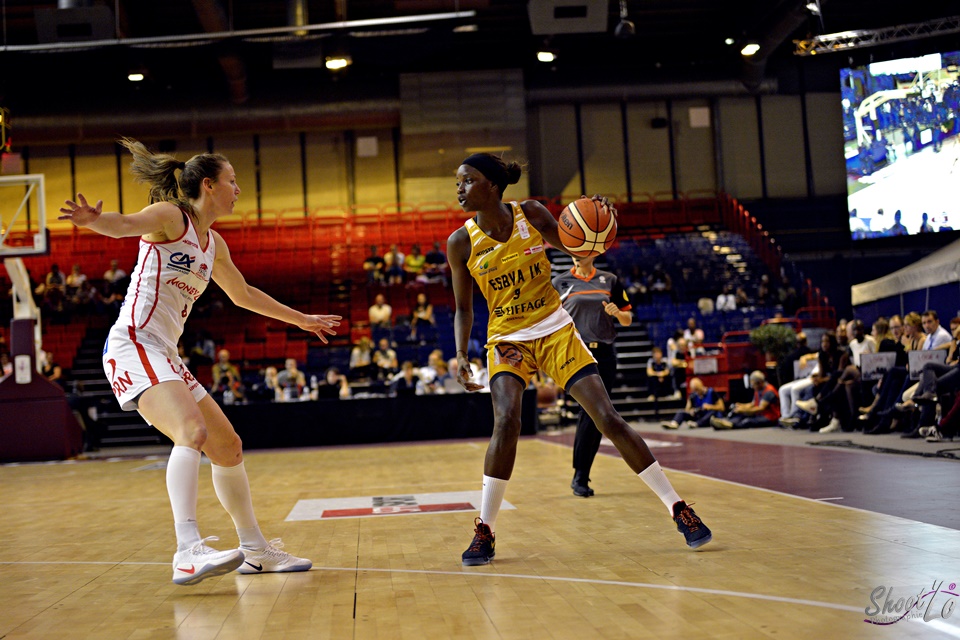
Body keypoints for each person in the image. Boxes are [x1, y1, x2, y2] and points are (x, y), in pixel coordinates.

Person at [58, 137, 341, 585]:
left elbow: (244, 295)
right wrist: (95, 222)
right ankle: (186, 550)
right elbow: (125, 223)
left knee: (227, 446)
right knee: (192, 431)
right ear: (208, 185)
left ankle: (254, 550)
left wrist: (301, 319)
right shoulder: (173, 218)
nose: (238, 189)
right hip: (134, 343)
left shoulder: (213, 245)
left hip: (165, 352)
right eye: (233, 181)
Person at [447, 152, 711, 567]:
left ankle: (679, 508)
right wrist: (462, 354)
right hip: (507, 338)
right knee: (507, 419)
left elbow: (574, 242)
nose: (459, 189)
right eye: (458, 182)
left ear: (493, 187)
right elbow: (464, 308)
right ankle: (486, 528)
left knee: (608, 418)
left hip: (554, 328)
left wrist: (593, 219)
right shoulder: (460, 242)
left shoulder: (529, 214)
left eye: (467, 180)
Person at [551, 251, 633, 498]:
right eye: (573, 252)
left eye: (582, 252)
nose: (576, 256)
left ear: (593, 254)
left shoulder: (610, 280)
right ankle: (580, 475)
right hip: (577, 354)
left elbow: (628, 319)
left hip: (605, 354)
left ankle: (581, 474)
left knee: (601, 416)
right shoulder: (560, 282)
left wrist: (616, 313)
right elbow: (551, 318)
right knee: (590, 412)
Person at [710, 370, 780, 429]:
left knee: (748, 421)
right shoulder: (758, 389)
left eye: (754, 385)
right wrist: (742, 406)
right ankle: (727, 422)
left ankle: (731, 426)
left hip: (770, 417)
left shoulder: (769, 391)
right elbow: (753, 404)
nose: (753, 387)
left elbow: (760, 408)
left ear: (760, 383)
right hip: (761, 414)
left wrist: (745, 410)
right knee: (742, 415)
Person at [661, 377, 725, 429]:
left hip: (709, 416)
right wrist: (691, 411)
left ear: (701, 385)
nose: (697, 392)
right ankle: (674, 423)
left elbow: (722, 407)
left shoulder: (711, 392)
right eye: (695, 390)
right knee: (681, 412)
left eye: (698, 389)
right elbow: (687, 409)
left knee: (713, 412)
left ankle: (697, 424)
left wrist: (710, 406)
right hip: (699, 416)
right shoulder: (693, 395)